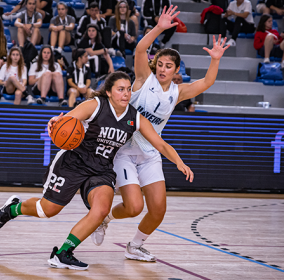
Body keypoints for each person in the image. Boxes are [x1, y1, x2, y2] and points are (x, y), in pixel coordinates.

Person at [0, 71, 193, 270]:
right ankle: (13, 208)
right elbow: (65, 121)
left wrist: (179, 162)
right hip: (73, 163)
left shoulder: (135, 117)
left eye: (128, 90)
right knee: (47, 210)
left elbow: (161, 144)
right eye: (120, 89)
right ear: (108, 92)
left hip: (101, 170)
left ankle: (63, 253)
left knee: (102, 209)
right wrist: (55, 121)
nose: (126, 94)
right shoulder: (95, 106)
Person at [90, 6, 229, 262]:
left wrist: (216, 59)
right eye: (161, 64)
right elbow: (141, 49)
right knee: (133, 207)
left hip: (150, 153)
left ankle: (134, 246)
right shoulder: (144, 79)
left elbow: (206, 83)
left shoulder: (177, 92)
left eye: (169, 66)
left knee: (158, 210)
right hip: (124, 151)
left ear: (176, 70)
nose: (163, 69)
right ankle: (104, 218)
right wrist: (159, 27)